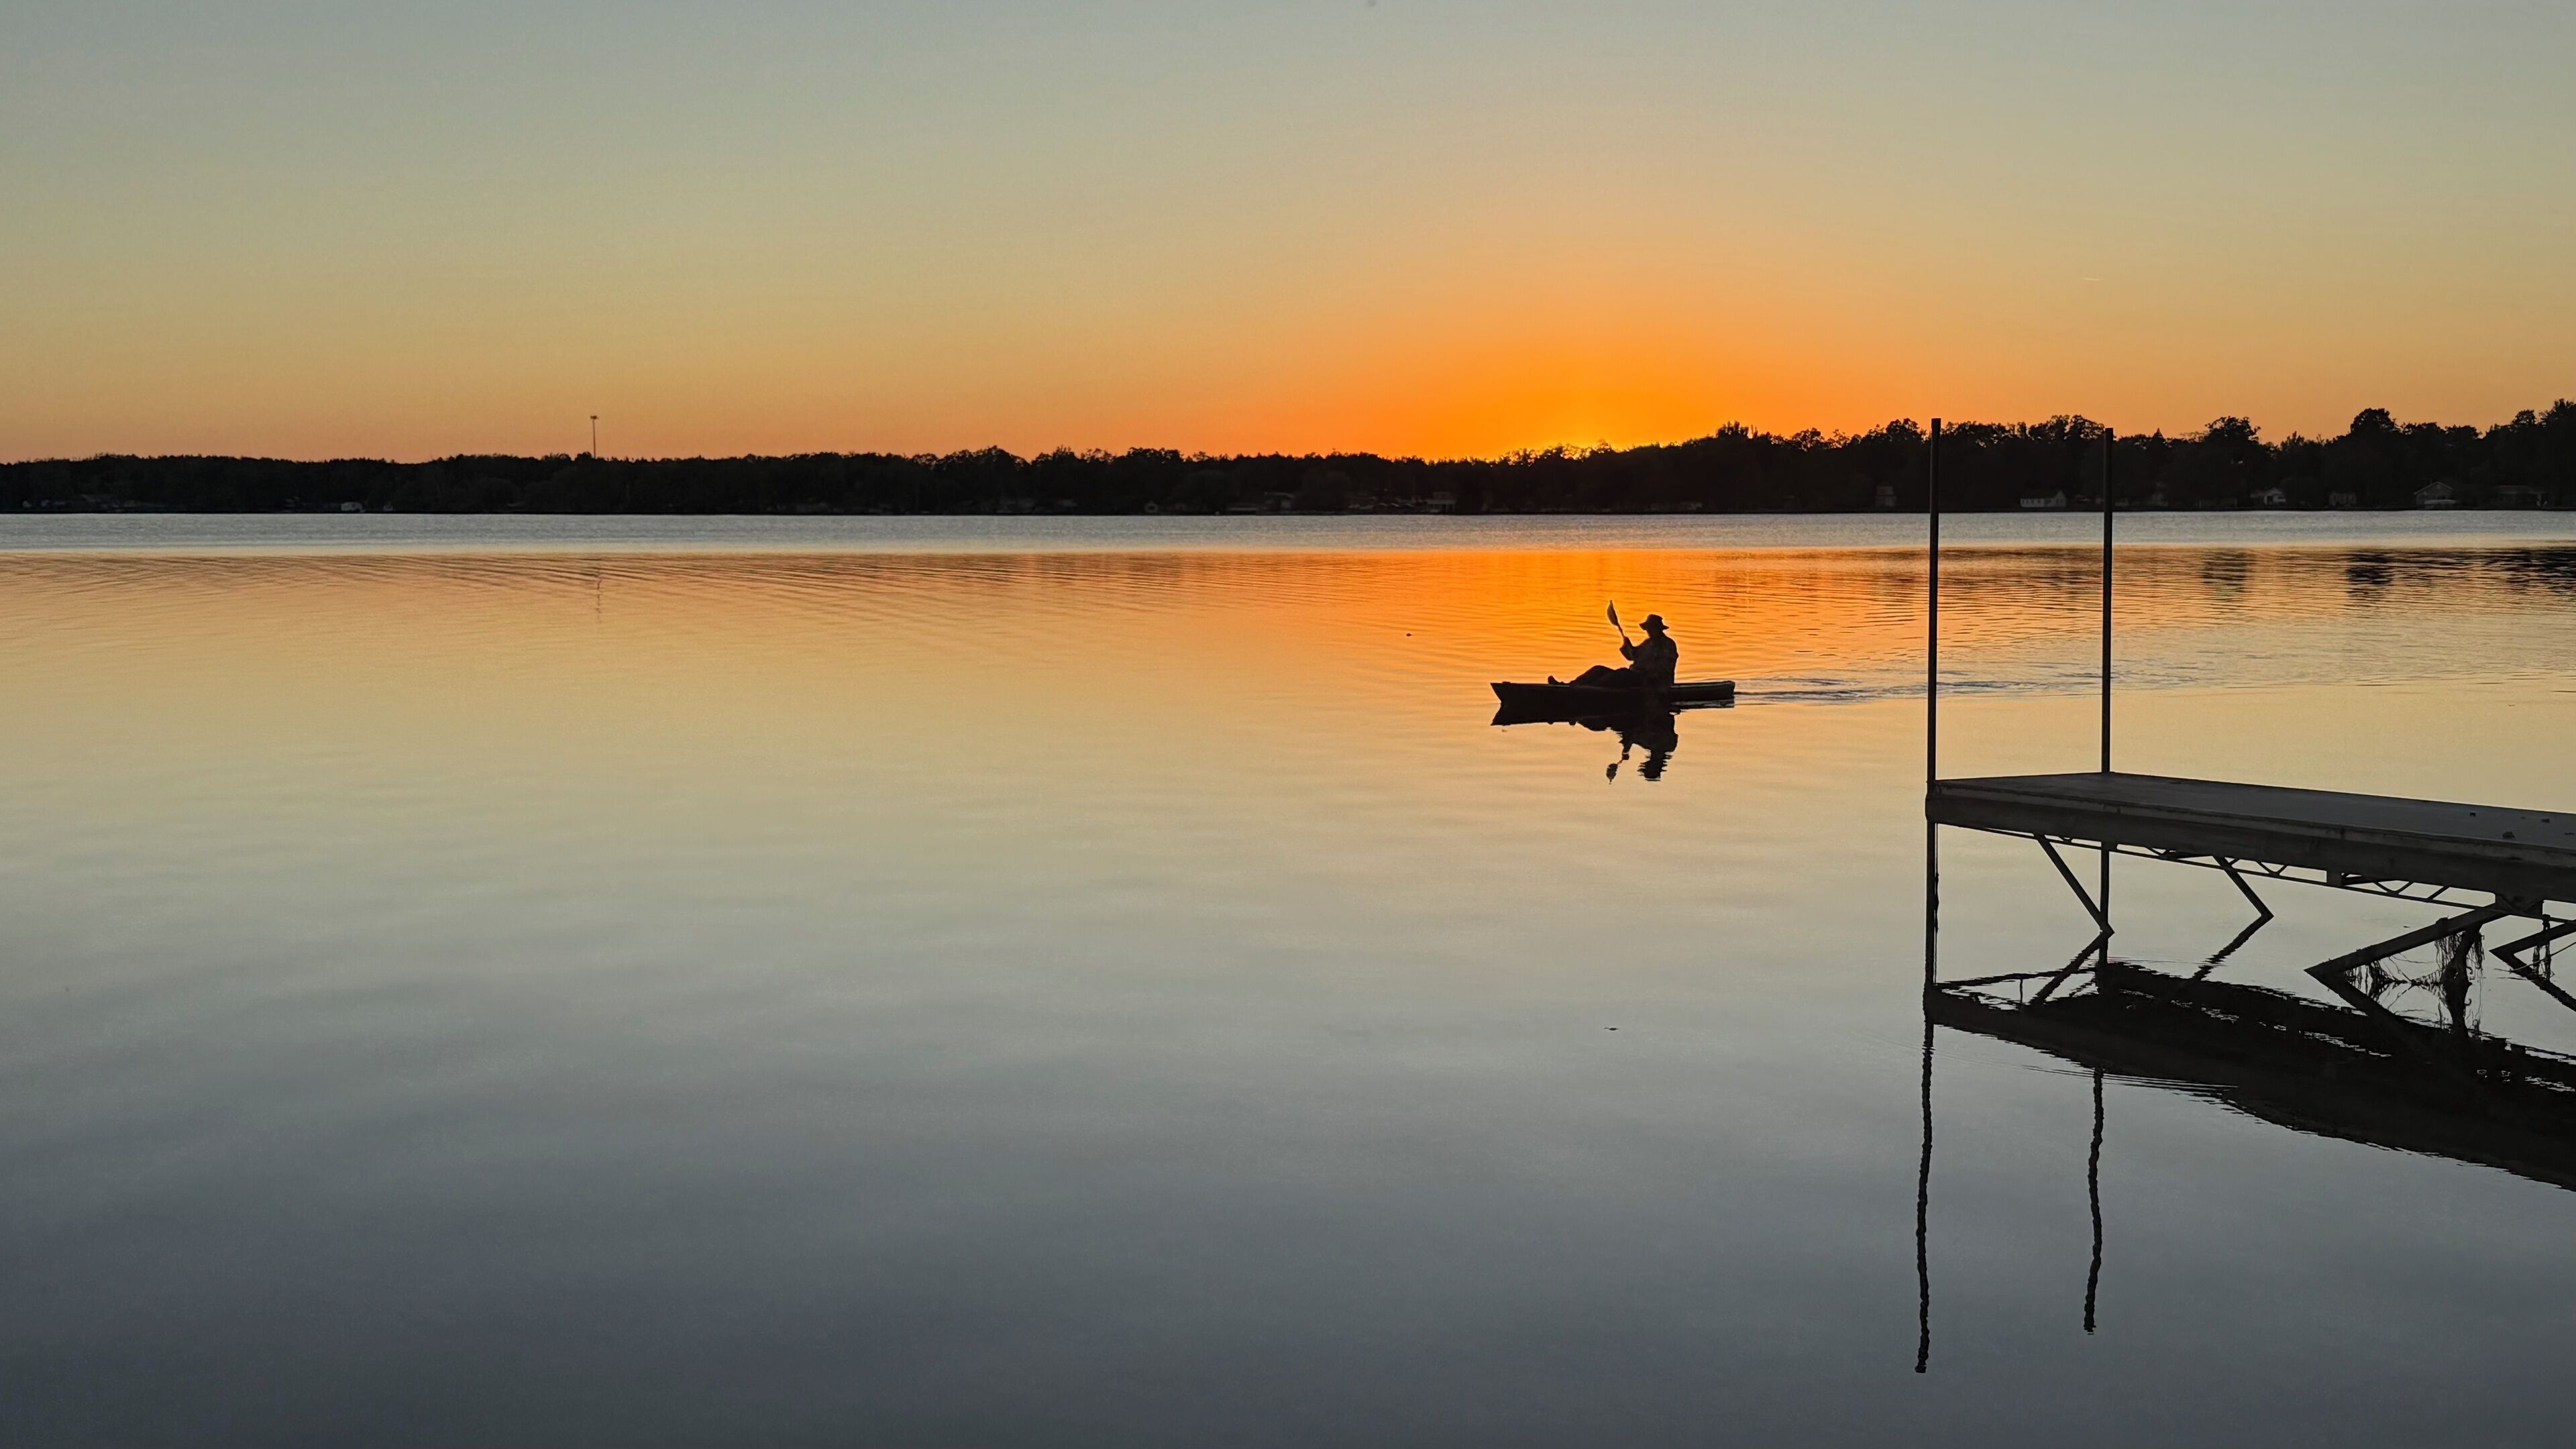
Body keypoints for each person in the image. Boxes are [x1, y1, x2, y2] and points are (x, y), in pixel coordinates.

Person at [1558, 614, 1678, 690]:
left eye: (1651, 628)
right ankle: (1571, 686)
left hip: (1650, 681)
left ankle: (1586, 690)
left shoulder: (1668, 644)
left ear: (1657, 628)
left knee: (1619, 675)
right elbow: (1633, 657)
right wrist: (1628, 645)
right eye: (1648, 629)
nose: (1648, 631)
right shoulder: (1648, 643)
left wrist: (1647, 674)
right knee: (1598, 669)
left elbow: (1664, 668)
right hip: (1636, 676)